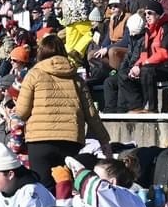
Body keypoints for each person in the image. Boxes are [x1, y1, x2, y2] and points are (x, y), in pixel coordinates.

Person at [14, 34, 112, 185]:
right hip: (70, 140)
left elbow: (21, 112)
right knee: (67, 187)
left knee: (44, 189)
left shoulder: (33, 74)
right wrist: (104, 141)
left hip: (39, 141)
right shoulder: (76, 79)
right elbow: (91, 114)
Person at [120, 0, 168, 114]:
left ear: (158, 14)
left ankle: (151, 108)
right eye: (145, 14)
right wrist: (136, 66)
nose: (147, 16)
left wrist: (145, 64)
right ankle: (136, 106)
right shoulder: (148, 31)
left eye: (150, 13)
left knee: (147, 70)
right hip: (155, 66)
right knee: (124, 74)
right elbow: (144, 54)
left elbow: (165, 53)